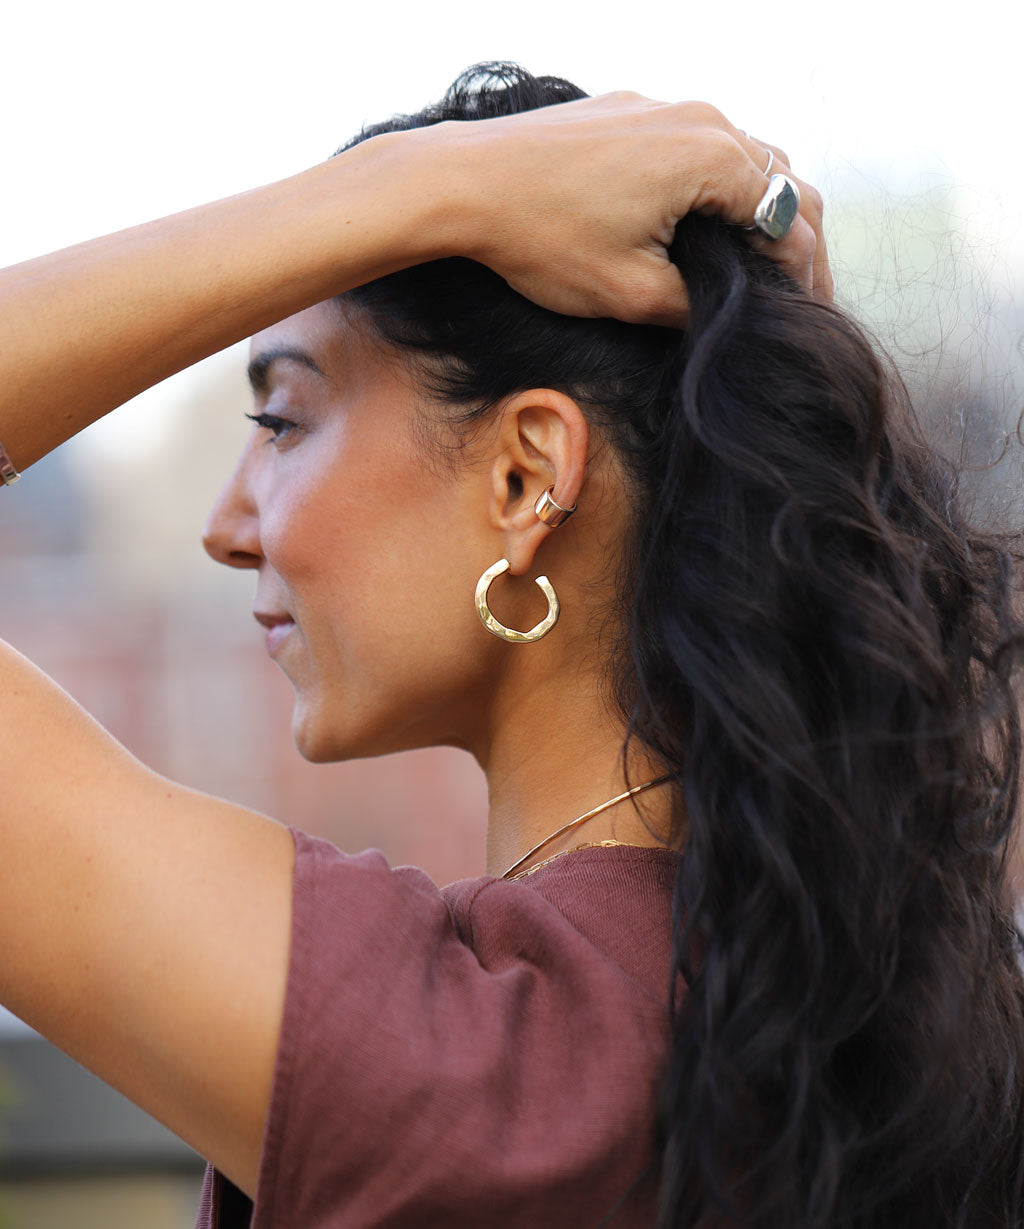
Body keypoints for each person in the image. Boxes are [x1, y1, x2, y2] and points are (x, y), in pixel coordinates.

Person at [0, 61, 1020, 1228]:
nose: (228, 526)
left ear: (527, 474)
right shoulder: (879, 1013)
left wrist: (414, 189)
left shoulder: (482, 1065)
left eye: (281, 419)